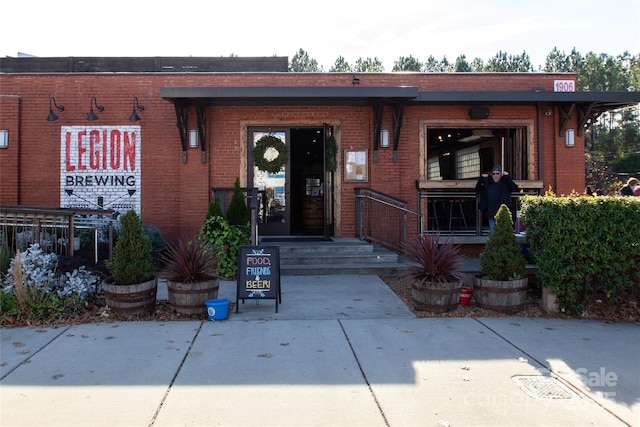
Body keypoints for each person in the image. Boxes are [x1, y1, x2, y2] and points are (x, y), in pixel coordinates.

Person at [475, 165, 520, 232]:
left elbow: (515, 189)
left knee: (503, 234)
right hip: (491, 214)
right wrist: (481, 178)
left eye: (497, 173)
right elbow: (477, 189)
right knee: (493, 235)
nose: (495, 175)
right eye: (493, 174)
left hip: (502, 213)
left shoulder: (505, 182)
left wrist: (507, 177)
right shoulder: (488, 182)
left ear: (501, 174)